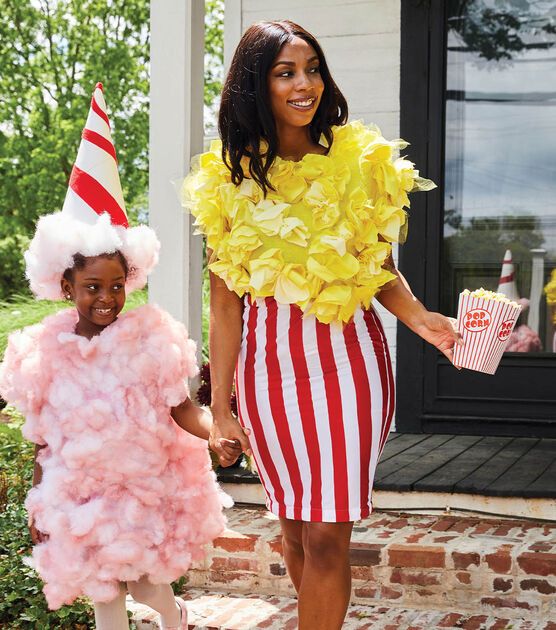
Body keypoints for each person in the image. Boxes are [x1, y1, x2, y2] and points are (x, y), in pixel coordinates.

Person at [182, 20, 461, 630]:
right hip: (268, 374)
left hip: (346, 366)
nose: (304, 84)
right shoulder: (228, 181)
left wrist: (420, 319)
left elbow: (377, 270)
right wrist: (222, 406)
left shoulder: (359, 162)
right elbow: (225, 302)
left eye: (313, 68)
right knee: (295, 532)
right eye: (286, 73)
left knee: (329, 536)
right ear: (257, 85)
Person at [0, 83, 241, 630]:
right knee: (104, 595)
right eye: (92, 286)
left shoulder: (151, 338)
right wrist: (41, 502)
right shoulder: (44, 351)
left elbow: (180, 408)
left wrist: (213, 430)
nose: (106, 298)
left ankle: (172, 615)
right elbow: (41, 435)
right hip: (78, 494)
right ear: (66, 285)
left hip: (139, 485)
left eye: (116, 285)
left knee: (148, 586)